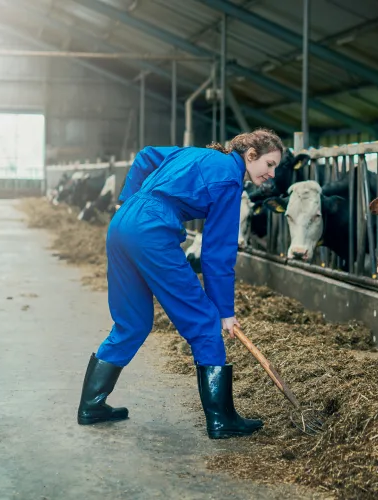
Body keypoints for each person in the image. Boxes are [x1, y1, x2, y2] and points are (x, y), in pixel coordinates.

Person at [77, 128, 284, 439]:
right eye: (269, 164)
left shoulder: (196, 154)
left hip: (122, 223)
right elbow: (217, 253)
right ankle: (222, 420)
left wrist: (128, 201)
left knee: (132, 323)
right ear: (251, 155)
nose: (271, 174)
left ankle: (91, 405)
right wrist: (225, 312)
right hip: (152, 230)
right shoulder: (230, 179)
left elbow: (146, 155)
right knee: (204, 322)